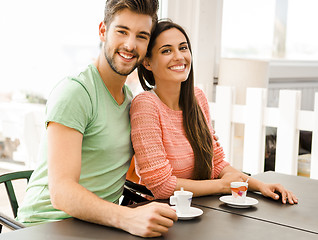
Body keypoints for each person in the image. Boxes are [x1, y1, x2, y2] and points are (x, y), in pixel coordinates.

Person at [17, 1, 177, 238]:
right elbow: (61, 191)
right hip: (46, 227)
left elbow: (133, 173)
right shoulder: (75, 93)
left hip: (98, 227)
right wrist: (127, 217)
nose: (130, 44)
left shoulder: (131, 102)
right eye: (122, 31)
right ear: (103, 31)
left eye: (141, 36)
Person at [130, 20, 298, 205]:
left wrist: (259, 186)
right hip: (161, 213)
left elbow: (216, 164)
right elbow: (162, 186)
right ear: (147, 62)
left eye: (183, 48)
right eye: (166, 50)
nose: (179, 56)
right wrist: (222, 186)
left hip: (201, 207)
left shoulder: (197, 98)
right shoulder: (145, 105)